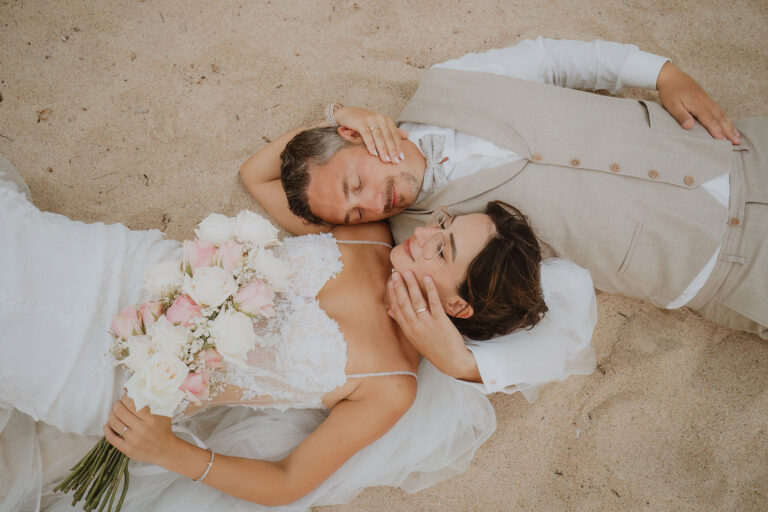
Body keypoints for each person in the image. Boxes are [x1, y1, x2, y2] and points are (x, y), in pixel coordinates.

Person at [0, 155, 595, 511]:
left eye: (442, 250)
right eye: (442, 223)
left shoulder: (390, 386)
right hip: (119, 264)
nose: (422, 235)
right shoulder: (369, 233)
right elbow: (261, 176)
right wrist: (344, 117)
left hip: (120, 383)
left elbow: (288, 483)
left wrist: (168, 451)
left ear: (458, 306)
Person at [240, 37, 768, 393]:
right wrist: (465, 365)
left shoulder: (447, 82)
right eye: (356, 214)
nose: (375, 205)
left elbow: (553, 59)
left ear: (355, 137)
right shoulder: (425, 247)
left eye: (356, 183)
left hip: (741, 145)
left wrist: (661, 72)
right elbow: (256, 178)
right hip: (735, 271)